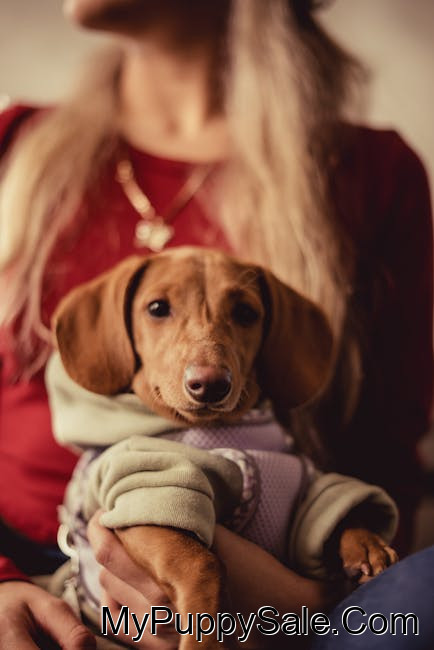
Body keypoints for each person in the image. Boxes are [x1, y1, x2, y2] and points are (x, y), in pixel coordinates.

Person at [0, 0, 432, 648]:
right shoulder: (15, 143)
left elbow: (387, 462)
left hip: (294, 581)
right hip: (40, 581)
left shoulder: (372, 172)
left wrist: (290, 608)